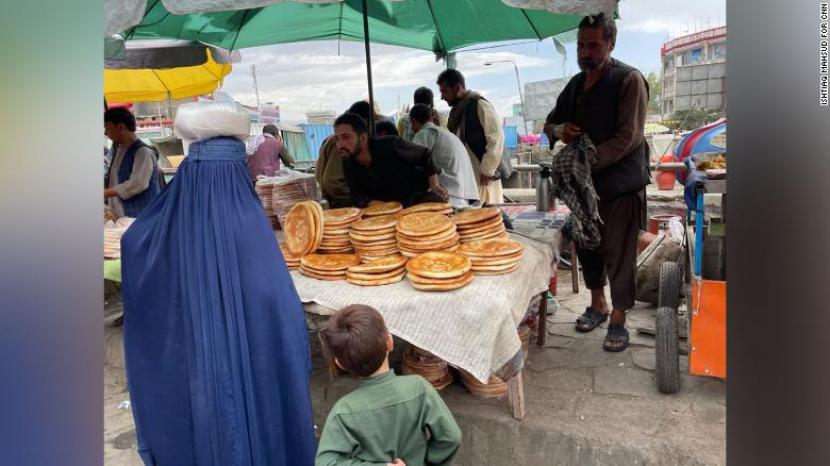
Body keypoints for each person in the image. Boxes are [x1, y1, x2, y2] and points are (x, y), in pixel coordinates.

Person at [120, 102, 317, 465]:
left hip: (197, 390)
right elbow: (284, 321)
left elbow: (136, 248)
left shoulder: (172, 226)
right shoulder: (251, 224)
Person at [544, 13, 650, 352]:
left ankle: (619, 317)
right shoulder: (575, 85)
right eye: (580, 45)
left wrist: (585, 161)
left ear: (611, 44)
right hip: (584, 193)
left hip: (620, 187)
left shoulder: (628, 80)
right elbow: (550, 123)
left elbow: (628, 138)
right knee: (588, 247)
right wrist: (561, 131)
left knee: (619, 254)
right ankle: (598, 304)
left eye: (593, 45)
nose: (585, 52)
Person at [316, 305, 462, 466]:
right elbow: (451, 437)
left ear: (340, 363)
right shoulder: (419, 388)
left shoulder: (343, 411)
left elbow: (326, 462)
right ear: (390, 342)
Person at [335, 112, 448, 208]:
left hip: (418, 200)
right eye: (337, 139)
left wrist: (434, 185)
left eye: (346, 137)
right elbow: (358, 195)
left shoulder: (390, 145)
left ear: (363, 138)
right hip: (389, 213)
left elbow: (424, 155)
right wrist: (385, 208)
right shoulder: (349, 163)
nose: (340, 145)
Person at [438, 69, 505, 205]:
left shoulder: (480, 105)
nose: (442, 97)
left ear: (457, 88)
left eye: (444, 91)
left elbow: (496, 138)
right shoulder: (456, 111)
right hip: (467, 177)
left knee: (488, 216)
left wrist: (487, 170)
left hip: (482, 176)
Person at [410, 103, 480, 209]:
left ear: (413, 121)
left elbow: (412, 161)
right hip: (465, 196)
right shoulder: (447, 134)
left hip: (448, 197)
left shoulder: (424, 133)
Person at [315, 101, 376, 208]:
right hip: (338, 207)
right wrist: (355, 201)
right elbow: (332, 182)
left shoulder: (332, 139)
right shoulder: (342, 143)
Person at [104, 107, 162, 217]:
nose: (106, 133)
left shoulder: (143, 152)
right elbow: (114, 180)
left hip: (141, 217)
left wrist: (106, 193)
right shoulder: (119, 150)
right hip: (122, 217)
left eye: (108, 128)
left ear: (121, 127)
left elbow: (137, 184)